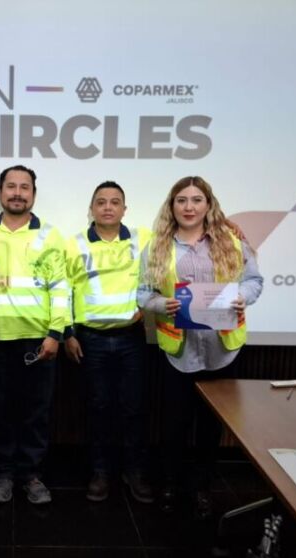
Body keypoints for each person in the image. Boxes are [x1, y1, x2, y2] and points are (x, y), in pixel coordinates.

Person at [138, 176, 262, 517]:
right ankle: (170, 485)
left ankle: (203, 488)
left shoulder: (231, 242)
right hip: (178, 350)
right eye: (181, 200)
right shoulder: (157, 246)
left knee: (210, 426)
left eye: (196, 200)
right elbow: (142, 293)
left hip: (222, 349)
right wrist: (161, 304)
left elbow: (254, 281)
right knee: (174, 424)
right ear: (172, 206)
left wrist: (241, 297)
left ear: (208, 204)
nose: (189, 207)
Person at [0, 165, 69, 505]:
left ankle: (31, 475)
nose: (17, 193)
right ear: (0, 192)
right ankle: (3, 475)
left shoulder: (50, 235)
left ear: (33, 194)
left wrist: (55, 333)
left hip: (38, 340)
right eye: (10, 186)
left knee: (35, 412)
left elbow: (60, 289)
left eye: (24, 187)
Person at [63, 181, 154, 504]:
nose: (107, 207)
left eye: (115, 202)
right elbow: (64, 291)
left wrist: (228, 227)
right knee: (98, 407)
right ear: (91, 209)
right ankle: (100, 472)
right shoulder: (74, 244)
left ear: (124, 210)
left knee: (134, 408)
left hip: (131, 338)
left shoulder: (144, 238)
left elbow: (174, 252)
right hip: (91, 340)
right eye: (101, 202)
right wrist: (68, 333)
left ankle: (134, 471)